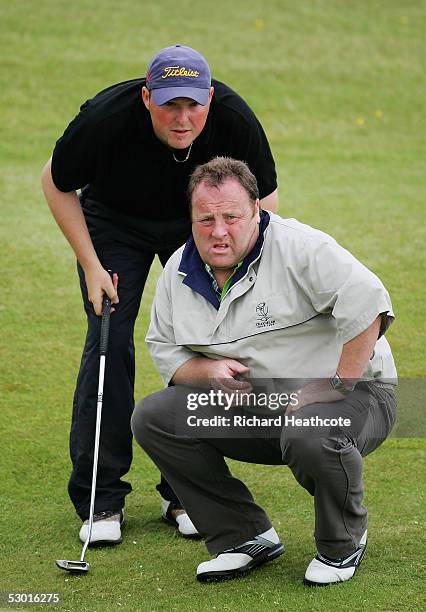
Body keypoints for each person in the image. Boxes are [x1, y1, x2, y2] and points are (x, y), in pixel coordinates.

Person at [41, 45, 279, 545]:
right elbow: (56, 180)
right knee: (109, 343)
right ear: (147, 97)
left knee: (202, 347)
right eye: (170, 104)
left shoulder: (234, 118)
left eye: (193, 104)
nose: (183, 117)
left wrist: (237, 266)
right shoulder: (105, 118)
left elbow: (262, 201)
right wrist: (91, 265)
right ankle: (100, 500)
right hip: (113, 224)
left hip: (196, 226)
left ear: (209, 99)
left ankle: (183, 494)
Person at [131, 157, 397, 585]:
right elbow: (165, 348)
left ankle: (343, 541)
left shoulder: (300, 247)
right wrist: (208, 369)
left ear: (257, 209)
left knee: (311, 428)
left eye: (232, 217)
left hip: (357, 393)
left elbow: (369, 303)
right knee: (156, 418)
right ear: (192, 217)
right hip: (259, 406)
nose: (219, 231)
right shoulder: (179, 270)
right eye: (207, 219)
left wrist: (337, 383)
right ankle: (243, 536)